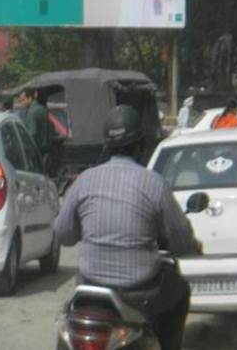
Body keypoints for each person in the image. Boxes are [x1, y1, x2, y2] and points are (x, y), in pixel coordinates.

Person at [54, 105, 201, 350]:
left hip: (91, 288)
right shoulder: (154, 184)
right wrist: (193, 247)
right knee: (180, 290)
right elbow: (181, 242)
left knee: (68, 319)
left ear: (107, 145)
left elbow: (63, 235)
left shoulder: (85, 181)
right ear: (141, 145)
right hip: (139, 292)